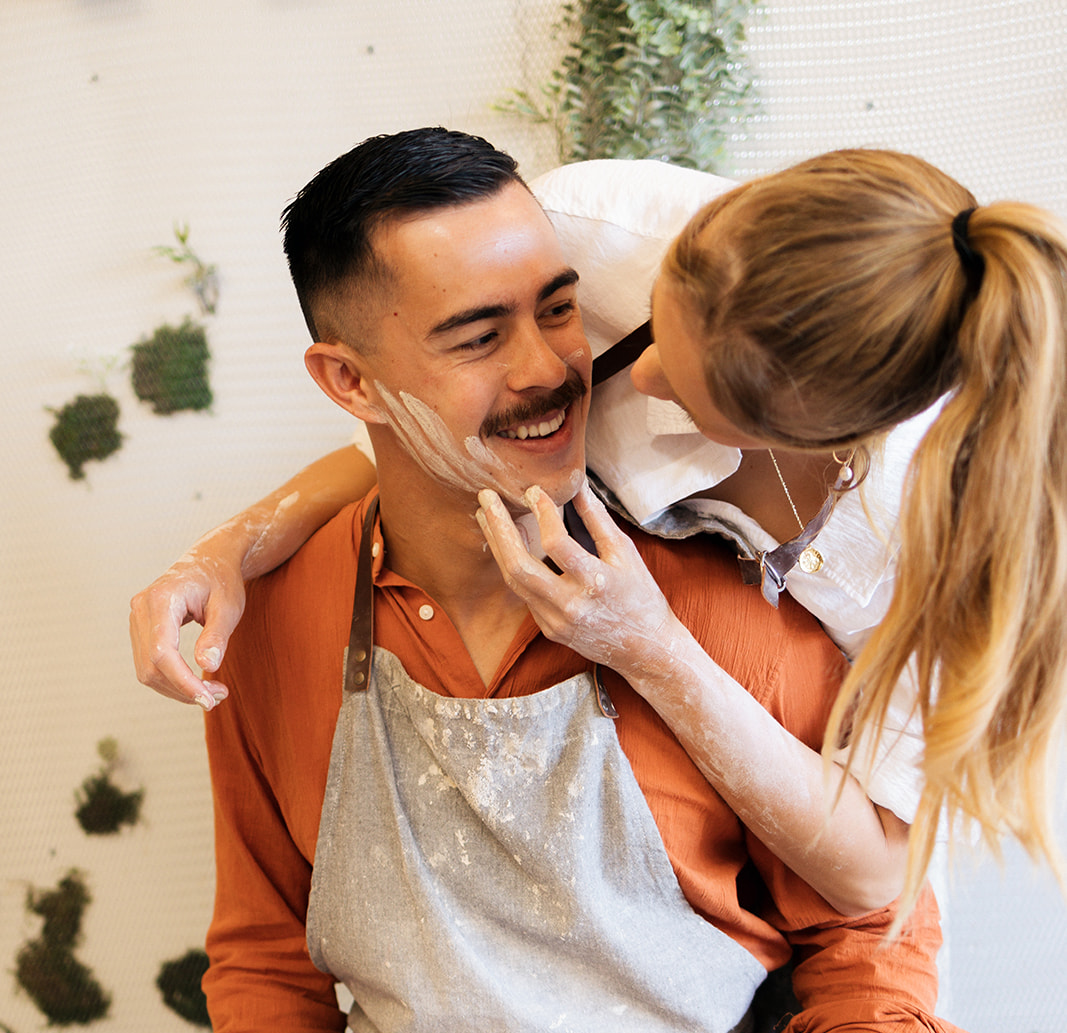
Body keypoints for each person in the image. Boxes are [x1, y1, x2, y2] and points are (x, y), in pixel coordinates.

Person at [40, 130, 1067, 1033]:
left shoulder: (770, 580)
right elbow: (266, 954)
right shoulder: (271, 625)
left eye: (552, 311)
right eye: (477, 334)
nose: (563, 369)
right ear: (349, 380)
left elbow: (872, 919)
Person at [131, 149, 1067, 927]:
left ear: (804, 439)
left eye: (684, 393)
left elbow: (875, 878)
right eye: (654, 325)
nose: (630, 374)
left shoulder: (962, 547)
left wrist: (651, 647)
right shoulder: (595, 234)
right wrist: (231, 546)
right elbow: (418, 426)